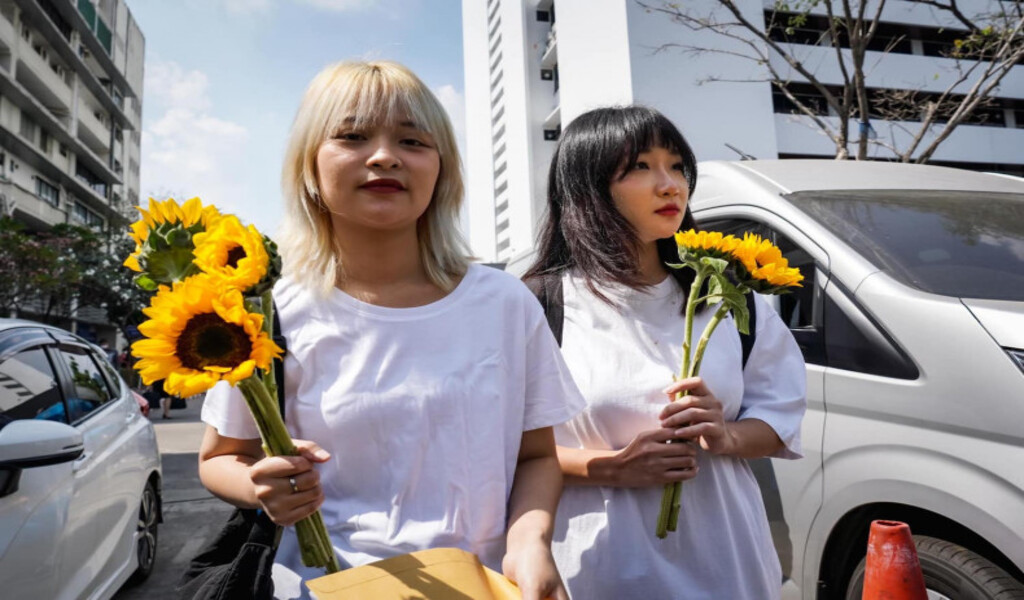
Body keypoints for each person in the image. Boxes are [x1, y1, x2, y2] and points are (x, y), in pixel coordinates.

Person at [198, 60, 584, 600]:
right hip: (317, 588)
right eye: (352, 136)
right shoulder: (265, 311)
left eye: (413, 140)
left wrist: (530, 541)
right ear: (308, 165)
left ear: (441, 169)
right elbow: (220, 457)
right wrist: (260, 486)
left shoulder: (504, 302)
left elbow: (538, 456)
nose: (384, 156)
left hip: (481, 586)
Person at [523, 106, 806, 599]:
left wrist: (727, 435)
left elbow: (779, 417)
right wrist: (607, 467)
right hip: (600, 565)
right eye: (640, 167)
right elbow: (504, 450)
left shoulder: (728, 298)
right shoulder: (537, 304)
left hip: (728, 559)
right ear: (587, 186)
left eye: (677, 166)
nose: (670, 184)